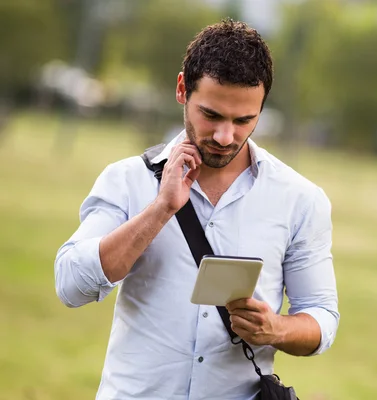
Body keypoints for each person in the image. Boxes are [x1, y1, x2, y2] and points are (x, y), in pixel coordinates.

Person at [54, 19, 339, 400]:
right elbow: (71, 285)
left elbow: (321, 317)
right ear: (181, 90)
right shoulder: (127, 180)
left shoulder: (301, 199)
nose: (226, 137)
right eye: (212, 115)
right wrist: (159, 209)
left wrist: (277, 329)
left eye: (244, 121)